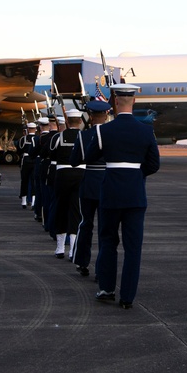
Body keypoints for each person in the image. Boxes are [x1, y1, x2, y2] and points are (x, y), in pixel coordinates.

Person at [83, 84, 160, 309]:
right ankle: (127, 297)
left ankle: (106, 289)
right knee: (133, 247)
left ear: (115, 102)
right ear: (133, 101)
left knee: (108, 242)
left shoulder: (102, 131)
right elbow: (154, 164)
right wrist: (135, 174)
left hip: (110, 193)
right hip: (135, 195)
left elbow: (89, 157)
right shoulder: (146, 131)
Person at [69, 99, 112, 277]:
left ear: (91, 116)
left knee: (85, 224)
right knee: (105, 228)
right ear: (106, 115)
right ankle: (103, 267)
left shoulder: (83, 135)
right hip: (107, 184)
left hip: (88, 185)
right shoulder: (112, 134)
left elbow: (74, 161)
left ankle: (82, 262)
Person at [49, 108, 85, 260]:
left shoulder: (58, 137)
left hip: (63, 174)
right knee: (76, 211)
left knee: (61, 208)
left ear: (68, 121)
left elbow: (51, 154)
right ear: (81, 121)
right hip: (81, 174)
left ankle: (60, 247)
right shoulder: (85, 136)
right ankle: (73, 250)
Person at [16, 121, 39, 208]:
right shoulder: (37, 138)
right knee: (34, 181)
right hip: (34, 160)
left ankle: (24, 201)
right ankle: (33, 201)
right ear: (35, 129)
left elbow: (19, 150)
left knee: (24, 180)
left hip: (25, 160)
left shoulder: (23, 139)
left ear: (28, 129)